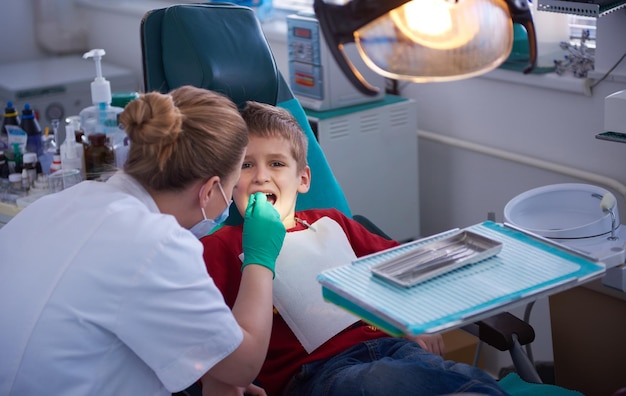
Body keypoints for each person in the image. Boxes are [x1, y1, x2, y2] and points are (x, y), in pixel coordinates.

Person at [201, 101, 509, 396]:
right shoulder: (218, 247)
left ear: (303, 179)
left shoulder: (331, 222)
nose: (261, 176)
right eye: (246, 165)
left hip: (398, 348)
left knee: (458, 378)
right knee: (384, 380)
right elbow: (197, 332)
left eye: (277, 163)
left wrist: (413, 320)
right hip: (319, 373)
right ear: (229, 180)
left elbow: (402, 267)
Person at [0, 86, 286, 396]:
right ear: (209, 190)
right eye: (231, 189)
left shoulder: (60, 203)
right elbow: (243, 366)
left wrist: (216, 372)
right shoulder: (157, 245)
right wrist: (259, 258)